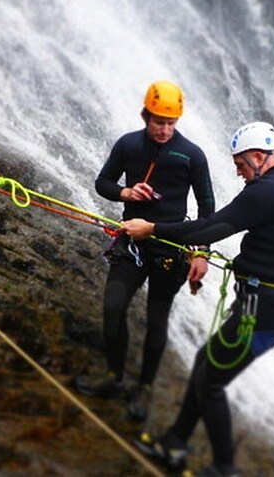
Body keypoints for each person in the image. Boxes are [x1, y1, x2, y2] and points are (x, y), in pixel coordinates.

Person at [120, 121, 274, 477]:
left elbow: (212, 228)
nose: (239, 173)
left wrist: (153, 228)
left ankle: (225, 468)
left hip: (265, 308)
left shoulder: (266, 193)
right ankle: (176, 441)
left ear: (258, 157)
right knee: (207, 361)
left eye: (240, 165)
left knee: (211, 380)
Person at [73, 80, 215, 423]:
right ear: (146, 115)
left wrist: (202, 252)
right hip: (132, 243)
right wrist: (126, 194)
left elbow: (207, 206)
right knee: (113, 306)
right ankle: (115, 377)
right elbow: (103, 182)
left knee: (157, 318)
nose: (165, 130)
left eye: (171, 123)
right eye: (159, 122)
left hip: (171, 247)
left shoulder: (192, 155)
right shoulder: (129, 145)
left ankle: (146, 387)